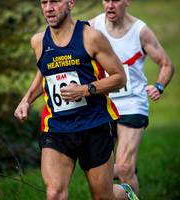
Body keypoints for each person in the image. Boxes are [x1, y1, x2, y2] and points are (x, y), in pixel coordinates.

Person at [13, 0, 140, 199]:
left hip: (94, 124)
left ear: (70, 3)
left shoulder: (91, 37)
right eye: (44, 2)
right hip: (58, 127)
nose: (48, 8)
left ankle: (125, 192)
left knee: (102, 196)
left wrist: (85, 89)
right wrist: (26, 100)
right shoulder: (38, 41)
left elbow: (119, 77)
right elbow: (45, 72)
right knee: (54, 193)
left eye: (55, 2)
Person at [90, 0, 174, 198]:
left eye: (115, 0)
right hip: (103, 105)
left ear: (127, 1)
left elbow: (166, 64)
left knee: (125, 167)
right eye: (106, 0)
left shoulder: (140, 31)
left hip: (132, 103)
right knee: (104, 174)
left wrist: (159, 86)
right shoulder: (94, 26)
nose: (109, 5)